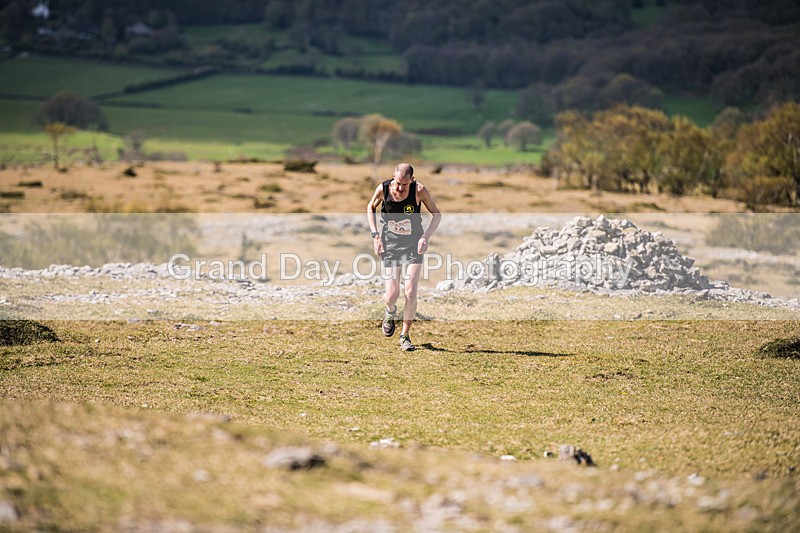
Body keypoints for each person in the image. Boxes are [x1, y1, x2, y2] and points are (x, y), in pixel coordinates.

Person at [367, 163, 441, 351]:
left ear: (412, 181)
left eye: (405, 185)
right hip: (390, 244)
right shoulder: (383, 189)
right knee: (392, 295)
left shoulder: (419, 191)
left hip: (413, 244)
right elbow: (370, 207)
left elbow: (437, 215)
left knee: (410, 290)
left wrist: (425, 237)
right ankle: (390, 312)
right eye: (398, 183)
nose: (400, 188)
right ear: (393, 177)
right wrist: (376, 236)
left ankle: (405, 335)